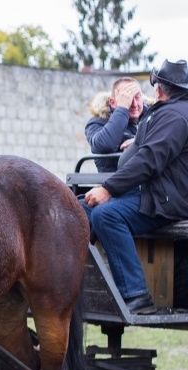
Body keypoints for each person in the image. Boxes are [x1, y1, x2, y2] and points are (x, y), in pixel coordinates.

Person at [82, 59, 188, 314]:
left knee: (106, 215)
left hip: (167, 198)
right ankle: (66, 289)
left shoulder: (175, 115)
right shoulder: (170, 111)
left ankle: (137, 295)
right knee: (77, 210)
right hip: (152, 190)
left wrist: (108, 189)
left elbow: (150, 160)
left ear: (159, 89)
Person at [85, 77, 149, 172]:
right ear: (112, 102)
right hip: (118, 183)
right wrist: (122, 108)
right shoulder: (98, 121)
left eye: (137, 97)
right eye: (127, 98)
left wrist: (137, 142)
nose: (134, 104)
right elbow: (104, 145)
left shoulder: (152, 117)